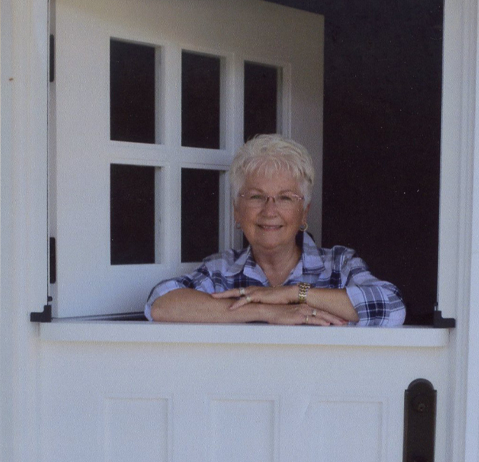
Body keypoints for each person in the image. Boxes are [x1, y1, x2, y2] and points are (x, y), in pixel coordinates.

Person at [145, 135, 405, 326]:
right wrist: (267, 311)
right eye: (256, 197)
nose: (270, 211)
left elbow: (393, 306)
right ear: (237, 211)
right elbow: (160, 304)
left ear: (304, 212)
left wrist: (293, 294)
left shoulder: (338, 265)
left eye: (285, 198)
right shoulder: (221, 270)